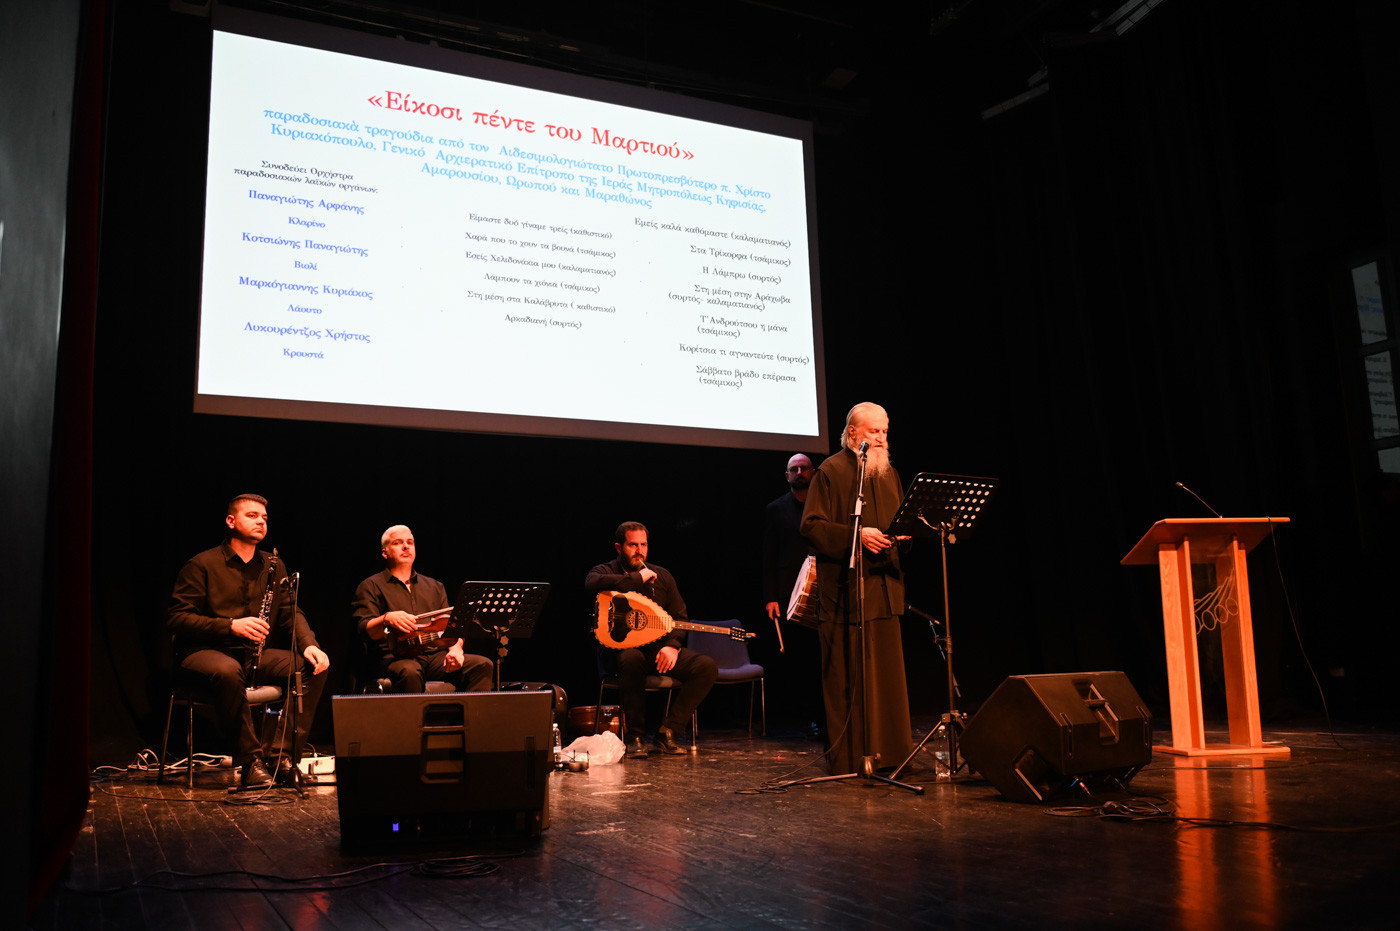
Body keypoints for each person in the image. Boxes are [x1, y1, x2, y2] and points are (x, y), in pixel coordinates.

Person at [167, 493, 331, 789]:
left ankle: (281, 758)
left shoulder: (273, 565)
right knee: (228, 671)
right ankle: (250, 763)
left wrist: (309, 644)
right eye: (252, 516)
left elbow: (290, 612)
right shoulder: (202, 564)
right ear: (231, 521)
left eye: (264, 518)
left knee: (310, 667)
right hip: (203, 652)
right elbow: (178, 619)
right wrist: (231, 626)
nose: (260, 522)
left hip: (251, 654)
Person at [800, 402, 914, 775]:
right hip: (845, 596)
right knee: (848, 682)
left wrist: (904, 536)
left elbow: (900, 525)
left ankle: (891, 756)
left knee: (887, 681)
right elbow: (811, 527)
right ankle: (851, 760)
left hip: (885, 591)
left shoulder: (890, 474)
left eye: (885, 431)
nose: (881, 438)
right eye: (873, 431)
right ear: (853, 433)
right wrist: (857, 535)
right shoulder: (830, 471)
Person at [584, 521, 718, 759]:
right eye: (633, 545)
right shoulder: (604, 571)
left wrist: (672, 646)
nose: (639, 551)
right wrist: (636, 578)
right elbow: (591, 583)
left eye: (643, 545)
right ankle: (635, 737)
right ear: (619, 547)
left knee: (705, 667)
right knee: (631, 658)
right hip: (620, 654)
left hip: (657, 650)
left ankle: (668, 732)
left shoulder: (663, 576)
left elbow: (679, 617)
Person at [352, 524, 493, 693]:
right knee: (410, 671)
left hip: (434, 656)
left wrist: (456, 650)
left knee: (482, 665)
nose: (406, 546)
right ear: (385, 553)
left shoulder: (434, 586)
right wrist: (386, 618)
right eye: (398, 543)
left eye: (410, 542)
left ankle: (470, 712)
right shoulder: (371, 585)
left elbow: (451, 627)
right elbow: (364, 629)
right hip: (395, 657)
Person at [762, 453, 825, 738]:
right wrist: (771, 597)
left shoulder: (824, 504)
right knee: (802, 658)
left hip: (823, 587)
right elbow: (769, 556)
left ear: (813, 472)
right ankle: (810, 717)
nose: (799, 472)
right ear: (787, 475)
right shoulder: (776, 509)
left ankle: (826, 716)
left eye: (804, 468)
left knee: (823, 656)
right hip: (790, 593)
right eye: (794, 469)